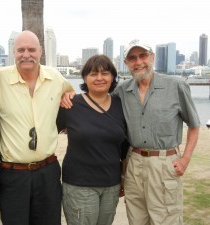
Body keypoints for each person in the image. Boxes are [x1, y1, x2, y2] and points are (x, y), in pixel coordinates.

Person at [61, 40, 200, 225]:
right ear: (126, 63)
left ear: (152, 57)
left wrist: (185, 159)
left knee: (167, 219)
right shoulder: (122, 92)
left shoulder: (175, 85)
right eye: (132, 58)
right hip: (133, 164)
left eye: (143, 56)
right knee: (136, 219)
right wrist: (67, 93)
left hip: (164, 164)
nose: (138, 61)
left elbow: (194, 125)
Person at [0, 30, 74, 225]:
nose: (26, 54)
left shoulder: (55, 78)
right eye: (21, 50)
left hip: (48, 171)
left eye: (31, 49)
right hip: (12, 175)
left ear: (40, 51)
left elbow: (70, 93)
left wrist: (67, 96)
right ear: (13, 52)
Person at [57, 55, 129, 225]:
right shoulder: (71, 104)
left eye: (104, 73)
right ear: (84, 78)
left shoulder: (121, 105)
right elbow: (48, 132)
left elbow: (125, 146)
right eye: (93, 74)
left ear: (112, 77)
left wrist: (124, 177)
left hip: (111, 184)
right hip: (79, 184)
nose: (99, 78)